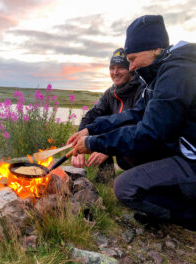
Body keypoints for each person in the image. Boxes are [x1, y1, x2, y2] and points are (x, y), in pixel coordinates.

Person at [68, 15, 196, 230]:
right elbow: (136, 113)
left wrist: (93, 143)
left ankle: (188, 214)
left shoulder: (178, 73)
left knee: (125, 188)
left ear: (155, 48)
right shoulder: (160, 73)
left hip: (191, 157)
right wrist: (92, 129)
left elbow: (149, 133)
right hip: (182, 150)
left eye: (133, 58)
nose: (131, 66)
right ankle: (164, 202)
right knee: (128, 158)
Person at [72, 48, 143, 183]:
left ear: (131, 68)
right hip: (119, 145)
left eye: (120, 67)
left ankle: (143, 178)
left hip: (138, 149)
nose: (115, 72)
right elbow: (91, 116)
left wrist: (107, 148)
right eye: (112, 68)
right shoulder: (110, 93)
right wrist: (79, 141)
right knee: (98, 124)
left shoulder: (141, 90)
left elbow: (138, 129)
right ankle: (106, 175)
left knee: (106, 137)